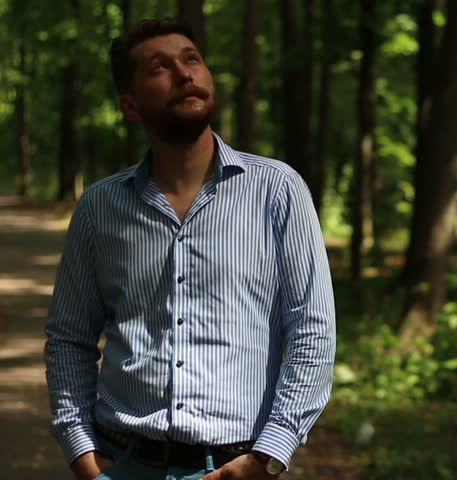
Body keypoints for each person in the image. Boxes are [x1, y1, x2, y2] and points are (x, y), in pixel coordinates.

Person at [44, 17, 336, 480]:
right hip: (122, 461)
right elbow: (69, 339)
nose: (184, 74)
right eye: (160, 67)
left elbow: (311, 332)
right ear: (130, 105)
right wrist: (83, 454)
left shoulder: (277, 190)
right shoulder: (100, 206)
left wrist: (268, 455)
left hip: (237, 466)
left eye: (192, 59)